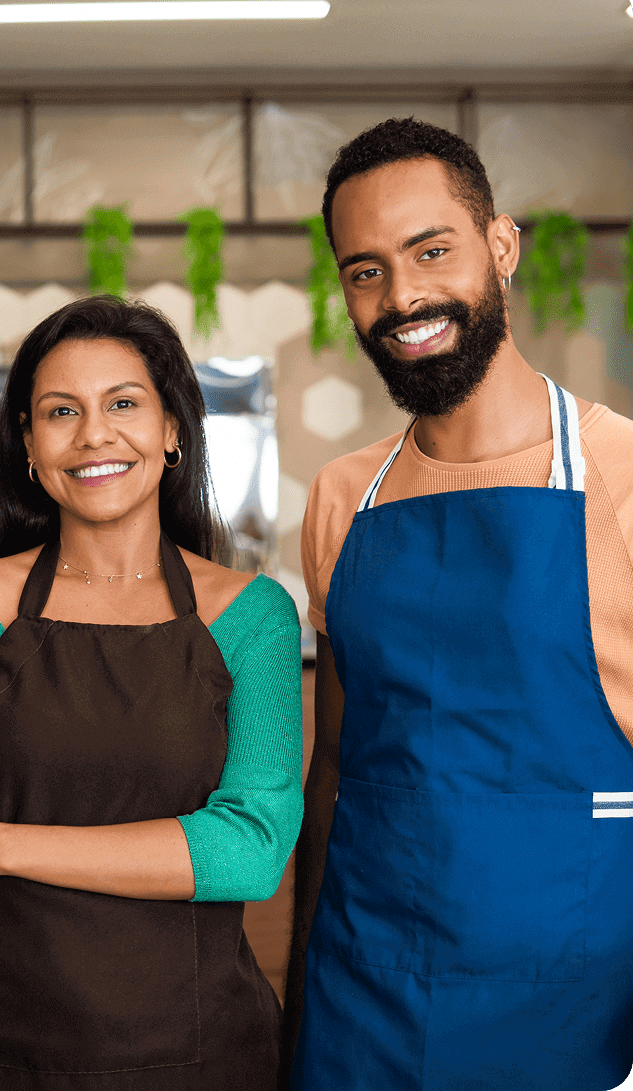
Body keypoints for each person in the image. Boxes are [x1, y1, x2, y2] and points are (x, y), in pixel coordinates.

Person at [283, 118, 633, 1090]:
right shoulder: (341, 496)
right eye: (364, 271)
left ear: (502, 245)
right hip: (363, 1006)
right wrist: (302, 1001)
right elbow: (335, 769)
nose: (402, 298)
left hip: (578, 1013)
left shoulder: (621, 475)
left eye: (430, 250)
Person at [0, 296, 303, 1091]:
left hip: (207, 1055)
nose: (93, 435)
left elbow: (251, 851)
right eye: (60, 412)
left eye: (123, 404)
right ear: (28, 443)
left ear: (173, 430)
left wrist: (2, 845)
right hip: (6, 1049)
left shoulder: (252, 617)